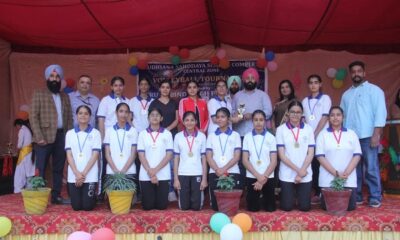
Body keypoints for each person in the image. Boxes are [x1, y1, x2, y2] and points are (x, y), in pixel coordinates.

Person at [340, 60, 387, 208]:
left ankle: (375, 196)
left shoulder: (374, 90)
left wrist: (376, 134)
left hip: (368, 136)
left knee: (371, 167)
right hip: (351, 138)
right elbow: (342, 116)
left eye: (359, 71)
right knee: (355, 169)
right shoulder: (346, 95)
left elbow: (380, 113)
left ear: (364, 73)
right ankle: (358, 195)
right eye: (353, 72)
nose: (356, 74)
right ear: (350, 74)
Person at [30, 64, 73, 204]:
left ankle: (56, 196)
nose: (54, 79)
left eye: (57, 76)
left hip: (62, 136)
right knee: (40, 168)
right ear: (47, 78)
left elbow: (69, 118)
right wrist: (38, 136)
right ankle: (39, 198)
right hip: (44, 137)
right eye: (52, 76)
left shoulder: (65, 96)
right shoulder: (39, 93)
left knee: (58, 168)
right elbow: (33, 116)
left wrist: (70, 137)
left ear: (60, 79)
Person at [316, 106, 361, 211]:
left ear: (343, 117)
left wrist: (346, 173)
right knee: (326, 207)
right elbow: (320, 157)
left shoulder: (351, 134)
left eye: (338, 115)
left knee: (349, 207)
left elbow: (357, 155)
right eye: (332, 115)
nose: (335, 118)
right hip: (327, 180)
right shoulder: (322, 135)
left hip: (348, 179)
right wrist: (336, 173)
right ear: (328, 118)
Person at [276, 100, 315, 211]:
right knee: (287, 207)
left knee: (305, 207)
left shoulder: (308, 129)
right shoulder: (281, 130)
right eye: (292, 111)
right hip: (287, 173)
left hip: (305, 173)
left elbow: (310, 153)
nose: (295, 114)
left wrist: (302, 172)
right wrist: (298, 171)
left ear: (302, 114)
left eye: (298, 112)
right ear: (288, 113)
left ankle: (300, 197)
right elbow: (282, 155)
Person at [97, 76, 129, 199]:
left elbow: (129, 120)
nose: (118, 88)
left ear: (123, 87)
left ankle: (124, 190)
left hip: (123, 137)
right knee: (106, 164)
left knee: (122, 161)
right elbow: (101, 120)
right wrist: (103, 138)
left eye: (120, 85)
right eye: (115, 85)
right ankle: (104, 193)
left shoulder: (127, 100)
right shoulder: (105, 100)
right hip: (109, 137)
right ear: (111, 87)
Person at [301, 74, 331, 204]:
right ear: (308, 85)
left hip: (322, 136)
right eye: (311, 83)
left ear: (320, 84)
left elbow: (324, 118)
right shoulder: (304, 101)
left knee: (322, 163)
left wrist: (315, 133)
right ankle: (312, 191)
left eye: (316, 82)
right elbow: (303, 119)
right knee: (311, 164)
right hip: (309, 137)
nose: (313, 85)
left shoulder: (325, 98)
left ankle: (321, 192)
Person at [65, 105, 101, 211]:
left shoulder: (95, 133)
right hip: (74, 175)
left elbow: (95, 155)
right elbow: (69, 155)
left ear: (90, 116)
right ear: (76, 115)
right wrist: (77, 173)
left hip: (89, 175)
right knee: (76, 207)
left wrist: (83, 174)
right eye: (80, 113)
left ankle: (93, 197)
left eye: (86, 113)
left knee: (87, 207)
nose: (83, 115)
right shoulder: (70, 133)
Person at [206, 107, 242, 211]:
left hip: (232, 172)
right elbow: (209, 156)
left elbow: (236, 156)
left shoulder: (235, 135)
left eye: (223, 117)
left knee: (231, 206)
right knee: (216, 207)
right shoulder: (211, 136)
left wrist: (224, 169)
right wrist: (218, 170)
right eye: (218, 117)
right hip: (214, 172)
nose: (220, 119)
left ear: (228, 119)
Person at [137, 108, 174, 210]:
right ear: (148, 118)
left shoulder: (167, 133)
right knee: (148, 206)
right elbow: (141, 155)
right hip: (146, 174)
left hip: (163, 174)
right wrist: (150, 172)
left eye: (157, 115)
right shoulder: (142, 134)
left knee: (161, 206)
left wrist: (155, 171)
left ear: (161, 118)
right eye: (152, 115)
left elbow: (169, 155)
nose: (155, 117)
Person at [149, 80, 179, 202]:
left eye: (167, 87)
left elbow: (177, 119)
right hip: (156, 137)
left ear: (170, 89)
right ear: (159, 89)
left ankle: (171, 190)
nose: (165, 89)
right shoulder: (154, 103)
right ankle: (158, 189)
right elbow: (151, 118)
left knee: (171, 165)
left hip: (170, 135)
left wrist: (166, 130)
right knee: (157, 162)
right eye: (163, 87)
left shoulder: (174, 103)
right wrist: (160, 131)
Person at [242, 110, 277, 212]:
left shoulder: (271, 137)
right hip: (252, 175)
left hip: (268, 176)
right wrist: (258, 177)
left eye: (261, 120)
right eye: (256, 120)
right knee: (253, 208)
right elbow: (245, 160)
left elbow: (274, 161)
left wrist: (264, 177)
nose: (258, 122)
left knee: (270, 209)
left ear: (265, 121)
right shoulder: (247, 137)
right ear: (252, 121)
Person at [173, 111, 207, 210]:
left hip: (197, 173)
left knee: (196, 207)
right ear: (183, 122)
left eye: (192, 120)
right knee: (184, 207)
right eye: (187, 120)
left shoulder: (202, 136)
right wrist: (175, 179)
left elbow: (204, 159)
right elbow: (176, 158)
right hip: (182, 173)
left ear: (196, 121)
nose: (189, 122)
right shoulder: (178, 136)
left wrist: (204, 179)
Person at [103, 103, 138, 192]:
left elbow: (133, 154)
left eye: (126, 112)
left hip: (129, 171)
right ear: (116, 113)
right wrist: (115, 170)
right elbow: (107, 154)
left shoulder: (133, 131)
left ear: (129, 114)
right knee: (113, 202)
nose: (123, 114)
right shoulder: (109, 131)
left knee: (128, 202)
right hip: (112, 171)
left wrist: (123, 171)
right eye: (121, 111)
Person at [231, 67, 272, 137]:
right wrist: (239, 116)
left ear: (256, 80)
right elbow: (232, 111)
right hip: (240, 133)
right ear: (244, 80)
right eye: (247, 78)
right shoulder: (237, 96)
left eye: (252, 78)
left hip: (258, 134)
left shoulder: (263, 95)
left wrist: (253, 115)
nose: (250, 80)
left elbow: (268, 112)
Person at [13, 118, 35, 193]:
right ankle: (30, 187)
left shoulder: (22, 130)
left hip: (24, 153)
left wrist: (17, 151)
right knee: (29, 170)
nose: (17, 128)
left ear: (18, 125)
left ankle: (18, 188)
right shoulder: (28, 129)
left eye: (16, 127)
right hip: (30, 152)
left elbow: (19, 145)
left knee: (20, 171)